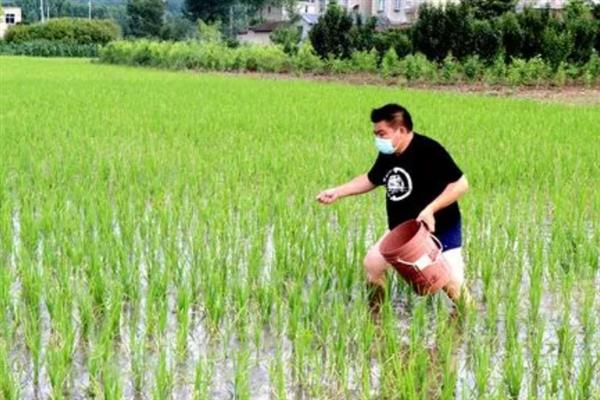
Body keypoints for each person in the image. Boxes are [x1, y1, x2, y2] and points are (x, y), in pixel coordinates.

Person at [316, 103, 471, 314]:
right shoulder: (389, 154)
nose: (378, 139)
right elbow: (371, 179)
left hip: (438, 229)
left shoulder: (429, 150)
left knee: (453, 287)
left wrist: (430, 209)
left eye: (382, 133)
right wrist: (338, 191)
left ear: (401, 130)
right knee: (373, 265)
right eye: (376, 134)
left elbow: (461, 184)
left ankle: (470, 327)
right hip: (403, 231)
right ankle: (377, 318)